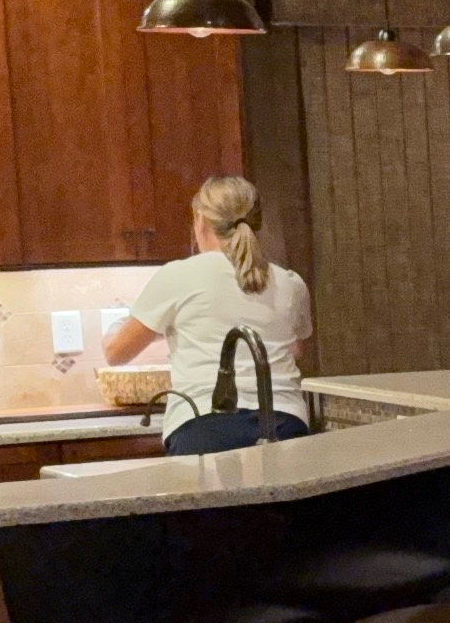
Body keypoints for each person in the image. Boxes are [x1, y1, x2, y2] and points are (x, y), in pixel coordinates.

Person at [105, 175, 315, 432]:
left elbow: (116, 353)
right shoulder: (290, 282)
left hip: (205, 422)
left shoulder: (178, 275)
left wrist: (117, 326)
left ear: (200, 220)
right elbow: (294, 350)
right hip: (285, 421)